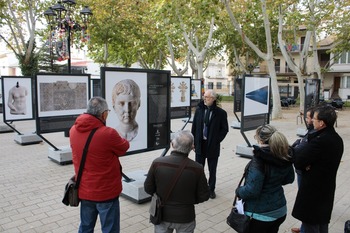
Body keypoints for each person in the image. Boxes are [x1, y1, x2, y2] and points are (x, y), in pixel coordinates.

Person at [70, 97, 130, 233]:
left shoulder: (73, 130)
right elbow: (124, 147)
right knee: (110, 229)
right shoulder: (108, 133)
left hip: (84, 189)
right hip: (106, 192)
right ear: (103, 114)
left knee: (85, 227)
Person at [144, 130, 210, 233]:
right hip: (185, 216)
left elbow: (148, 188)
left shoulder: (157, 163)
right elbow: (204, 195)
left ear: (172, 144)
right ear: (192, 147)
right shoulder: (197, 168)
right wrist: (190, 200)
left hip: (162, 215)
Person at [292, 105, 344, 233]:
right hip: (326, 188)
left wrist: (306, 164)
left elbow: (298, 161)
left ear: (321, 123)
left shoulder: (319, 141)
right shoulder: (337, 138)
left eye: (314, 119)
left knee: (311, 224)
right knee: (322, 224)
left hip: (313, 191)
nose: (311, 121)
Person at [235, 125, 295, 233]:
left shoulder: (259, 160)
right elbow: (289, 179)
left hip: (260, 214)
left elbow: (252, 190)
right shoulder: (285, 154)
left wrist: (238, 191)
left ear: (261, 141)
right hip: (280, 209)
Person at [191, 89, 228, 199]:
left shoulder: (221, 113)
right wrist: (193, 142)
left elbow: (224, 129)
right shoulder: (199, 110)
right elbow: (194, 127)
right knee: (198, 168)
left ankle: (211, 189)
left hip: (212, 146)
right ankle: (199, 188)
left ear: (213, 98)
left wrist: (216, 140)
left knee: (212, 169)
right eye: (204, 96)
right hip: (200, 144)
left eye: (207, 97)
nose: (205, 99)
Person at [291, 107, 315, 233]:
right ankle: (303, 227)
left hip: (305, 174)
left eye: (309, 117)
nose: (306, 120)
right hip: (302, 171)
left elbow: (305, 152)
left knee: (306, 203)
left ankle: (305, 229)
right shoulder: (311, 131)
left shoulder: (315, 135)